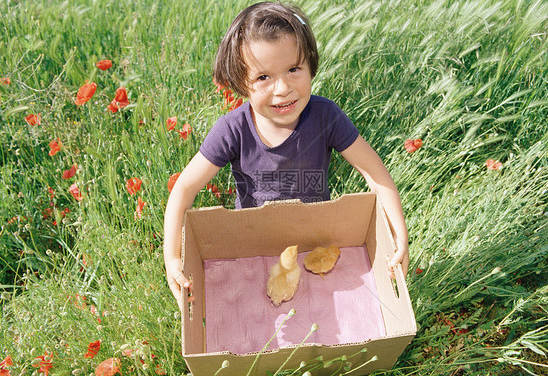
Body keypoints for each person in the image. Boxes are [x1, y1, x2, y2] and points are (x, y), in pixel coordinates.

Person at [163, 1, 409, 307]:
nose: (282, 89)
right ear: (242, 83)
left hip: (313, 240)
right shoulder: (232, 129)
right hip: (254, 242)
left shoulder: (326, 116)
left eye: (294, 69)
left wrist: (399, 234)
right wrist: (173, 257)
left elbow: (376, 173)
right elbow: (184, 188)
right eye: (263, 78)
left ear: (311, 65)